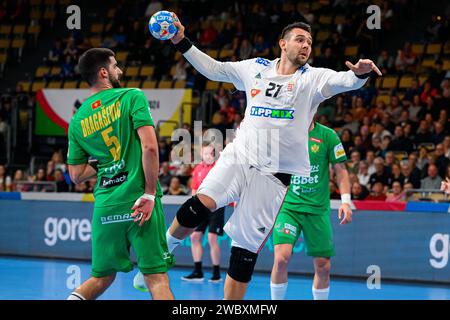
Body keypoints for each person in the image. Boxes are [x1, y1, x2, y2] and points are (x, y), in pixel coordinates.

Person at [135, 15, 381, 300]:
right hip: (240, 156)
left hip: (274, 178)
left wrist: (360, 74)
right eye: (300, 40)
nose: (306, 46)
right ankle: (158, 257)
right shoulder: (255, 68)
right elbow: (214, 69)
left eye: (310, 43)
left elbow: (344, 80)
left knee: (243, 256)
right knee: (198, 206)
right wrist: (180, 40)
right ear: (282, 43)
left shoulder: (313, 78)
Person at [66, 48, 174, 300]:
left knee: (101, 278)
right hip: (138, 200)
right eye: (115, 66)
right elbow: (149, 146)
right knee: (156, 279)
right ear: (104, 72)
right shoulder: (131, 96)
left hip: (106, 204)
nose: (120, 71)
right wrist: (149, 193)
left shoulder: (77, 120)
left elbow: (76, 174)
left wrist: (107, 161)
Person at [270, 121, 352, 300]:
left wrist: (346, 201)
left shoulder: (328, 136)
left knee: (323, 266)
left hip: (317, 209)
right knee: (281, 258)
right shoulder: (283, 133)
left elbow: (341, 170)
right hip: (288, 207)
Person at [181, 143, 225, 283]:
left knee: (212, 238)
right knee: (194, 237)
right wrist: (193, 207)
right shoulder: (198, 169)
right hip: (200, 207)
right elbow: (194, 189)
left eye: (210, 153)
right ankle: (198, 271)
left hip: (216, 206)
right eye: (205, 154)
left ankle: (216, 273)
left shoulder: (219, 168)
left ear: (214, 154)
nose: (207, 156)